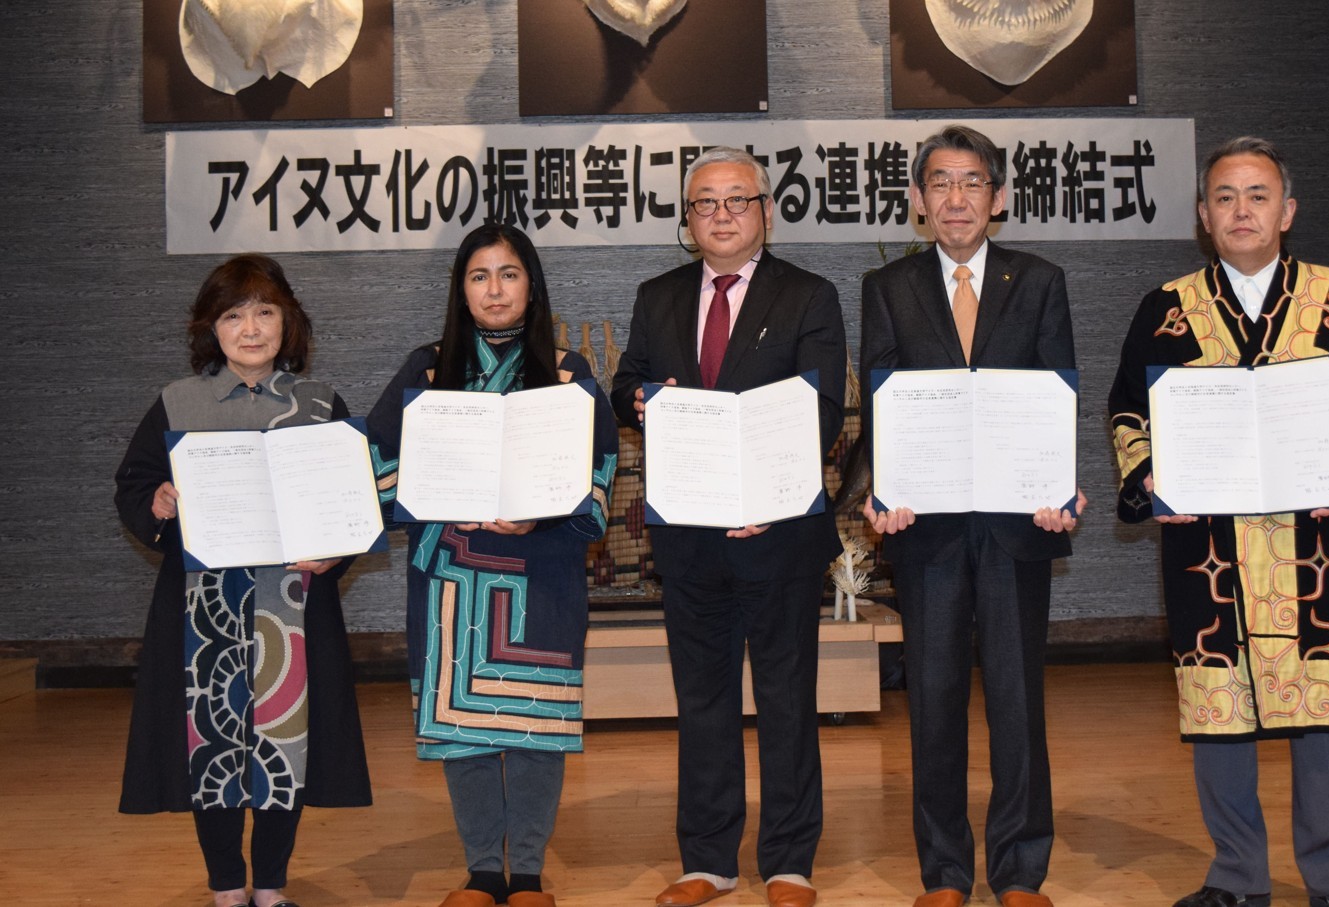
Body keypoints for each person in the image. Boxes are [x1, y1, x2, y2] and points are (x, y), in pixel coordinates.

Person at [1107, 136, 1329, 907]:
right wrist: (1150, 475)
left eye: (1256, 195)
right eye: (1223, 197)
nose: (1240, 210)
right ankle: (1236, 876)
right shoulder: (1166, 308)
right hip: (1206, 542)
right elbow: (1128, 410)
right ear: (1202, 215)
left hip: (1314, 542)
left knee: (1323, 706)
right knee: (1216, 708)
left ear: (1286, 210)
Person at [609, 146, 846, 907]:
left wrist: (768, 497)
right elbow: (626, 382)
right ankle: (708, 860)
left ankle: (788, 861)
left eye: (736, 199)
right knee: (703, 699)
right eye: (704, 202)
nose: (721, 214)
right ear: (687, 219)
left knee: (786, 698)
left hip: (778, 535)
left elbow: (821, 411)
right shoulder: (657, 296)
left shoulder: (808, 295)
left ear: (765, 211)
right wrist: (635, 399)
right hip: (690, 535)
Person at [859, 124, 1083, 907]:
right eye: (940, 183)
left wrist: (1062, 485)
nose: (956, 198)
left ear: (999, 197)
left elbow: (1057, 390)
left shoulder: (1040, 280)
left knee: (1018, 700)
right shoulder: (887, 287)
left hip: (1017, 524)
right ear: (917, 200)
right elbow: (881, 400)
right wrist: (879, 487)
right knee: (933, 700)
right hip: (925, 526)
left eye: (972, 182)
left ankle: (1019, 869)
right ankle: (945, 871)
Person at [366, 223, 618, 907]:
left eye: (509, 274)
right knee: (462, 727)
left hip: (541, 572)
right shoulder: (427, 370)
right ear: (461, 289)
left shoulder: (567, 373)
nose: (495, 289)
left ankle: (527, 873)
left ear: (531, 286)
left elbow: (599, 464)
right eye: (479, 276)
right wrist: (425, 493)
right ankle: (482, 870)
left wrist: (544, 512)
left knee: (536, 724)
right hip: (452, 578)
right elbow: (376, 459)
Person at [114, 254, 372, 907]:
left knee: (286, 749)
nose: (250, 328)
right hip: (202, 610)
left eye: (264, 312)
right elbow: (134, 485)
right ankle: (228, 887)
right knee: (213, 751)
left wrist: (335, 552)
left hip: (293, 606)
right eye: (233, 315)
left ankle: (272, 887)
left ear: (289, 322)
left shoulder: (320, 404)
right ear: (212, 327)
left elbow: (354, 499)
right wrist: (158, 501)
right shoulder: (177, 401)